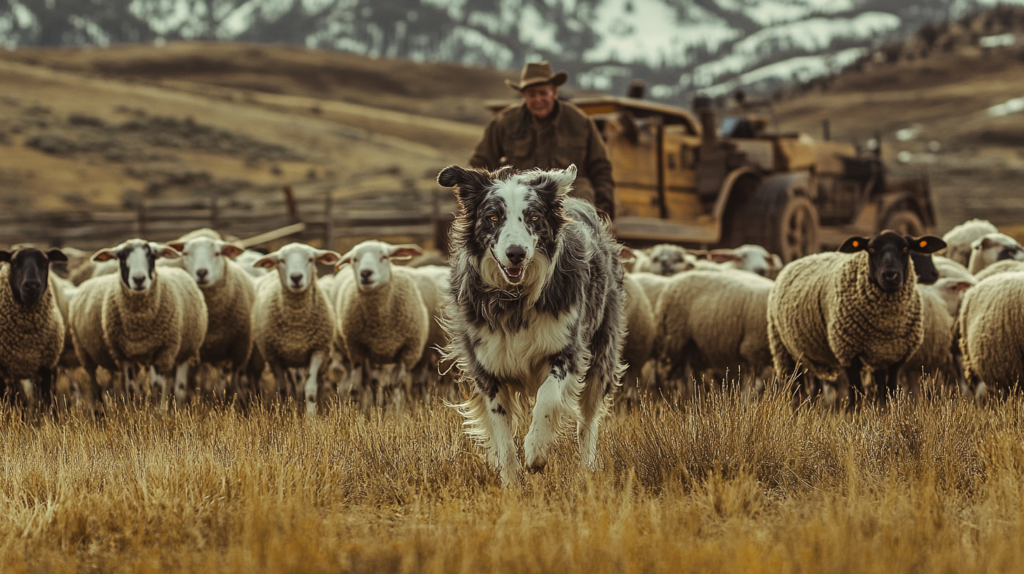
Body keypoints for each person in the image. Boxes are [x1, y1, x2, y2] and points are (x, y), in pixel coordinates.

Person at [469, 61, 616, 220]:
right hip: (520, 197)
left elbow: (600, 167)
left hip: (569, 196)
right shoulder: (505, 122)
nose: (538, 99)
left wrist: (603, 207)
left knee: (582, 201)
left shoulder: (580, 122)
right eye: (532, 94)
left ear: (554, 92)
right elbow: (481, 162)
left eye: (543, 93)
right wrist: (475, 200)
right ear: (524, 96)